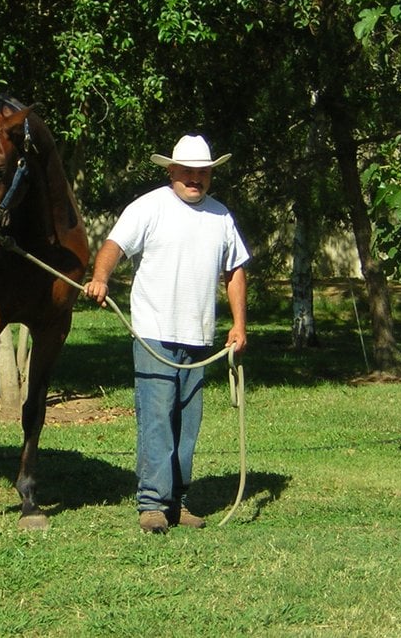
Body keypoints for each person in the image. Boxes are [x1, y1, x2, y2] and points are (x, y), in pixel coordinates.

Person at [84, 133, 249, 534]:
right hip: (153, 331)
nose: (195, 179)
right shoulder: (149, 207)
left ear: (210, 175)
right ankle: (153, 504)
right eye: (188, 171)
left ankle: (178, 500)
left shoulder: (221, 217)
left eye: (202, 172)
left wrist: (240, 324)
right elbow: (114, 245)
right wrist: (100, 277)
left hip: (199, 335)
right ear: (171, 171)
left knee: (187, 422)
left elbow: (235, 271)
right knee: (157, 417)